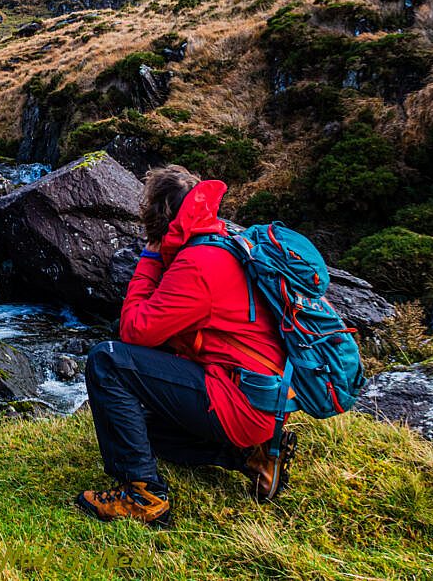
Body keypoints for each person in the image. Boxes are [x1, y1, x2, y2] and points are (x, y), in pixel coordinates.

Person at [75, 166, 297, 528]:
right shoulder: (219, 242)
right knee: (138, 429)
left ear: (158, 215)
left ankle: (143, 495)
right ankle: (252, 456)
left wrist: (148, 259)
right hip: (262, 395)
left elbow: (134, 331)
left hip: (240, 400)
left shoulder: (197, 264)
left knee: (107, 360)